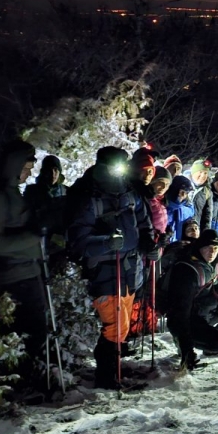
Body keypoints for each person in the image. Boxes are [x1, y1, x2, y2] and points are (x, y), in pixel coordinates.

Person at [66, 146, 150, 389]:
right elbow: (78, 242)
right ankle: (107, 377)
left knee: (123, 325)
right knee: (114, 326)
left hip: (129, 268)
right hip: (104, 269)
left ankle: (115, 371)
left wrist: (149, 242)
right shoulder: (88, 197)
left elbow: (143, 223)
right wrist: (106, 243)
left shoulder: (130, 191)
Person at [0, 141, 49, 383]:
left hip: (29, 271)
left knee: (36, 330)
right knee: (24, 333)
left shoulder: (13, 194)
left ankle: (25, 380)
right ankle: (15, 383)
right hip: (12, 277)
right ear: (14, 166)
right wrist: (33, 235)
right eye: (26, 168)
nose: (29, 174)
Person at [163, 229, 218, 372]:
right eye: (208, 248)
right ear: (200, 247)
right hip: (187, 317)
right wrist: (187, 349)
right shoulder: (187, 269)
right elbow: (180, 311)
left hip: (205, 308)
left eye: (215, 249)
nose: (212, 253)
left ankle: (211, 338)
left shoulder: (217, 262)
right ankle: (186, 342)